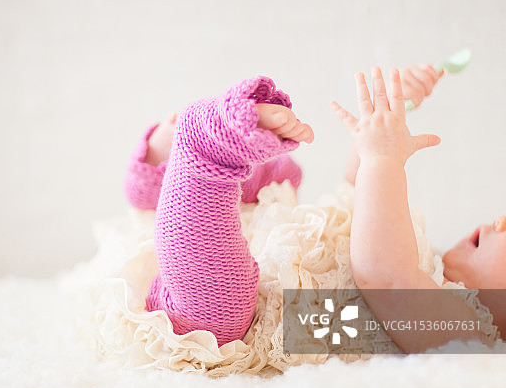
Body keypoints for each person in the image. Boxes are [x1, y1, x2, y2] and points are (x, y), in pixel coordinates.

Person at [123, 64, 503, 353]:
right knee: (276, 187)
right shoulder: (428, 264)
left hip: (237, 325)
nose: (501, 221)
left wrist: (384, 158)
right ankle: (165, 174)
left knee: (219, 311)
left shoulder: (462, 331)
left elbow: (386, 276)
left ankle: (203, 152)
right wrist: (388, 118)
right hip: (257, 271)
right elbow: (356, 200)